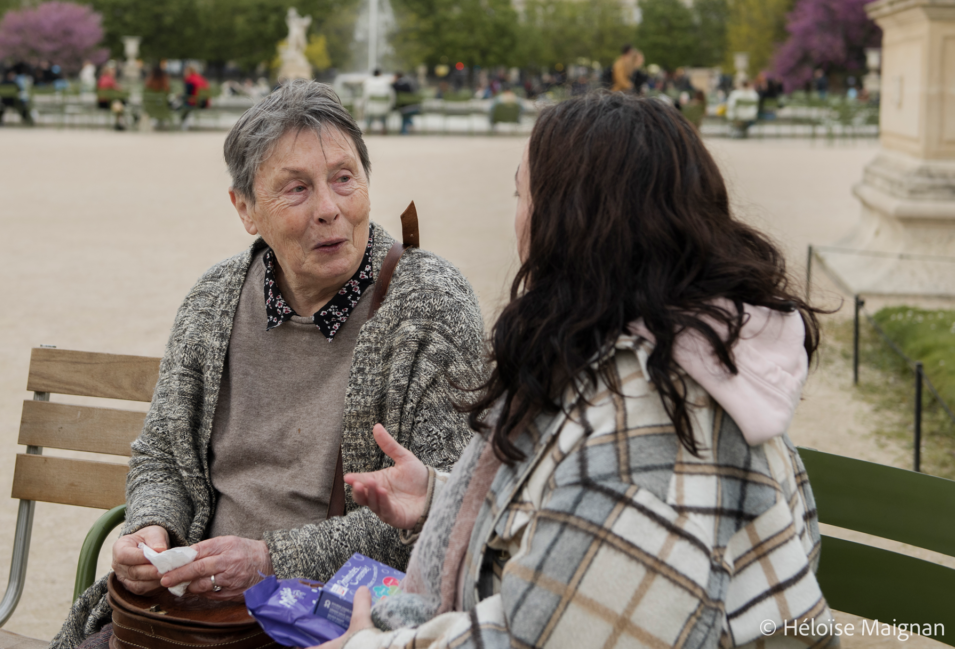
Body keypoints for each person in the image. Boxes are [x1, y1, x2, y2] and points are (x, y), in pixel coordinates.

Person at [331, 92, 835, 649]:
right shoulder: (664, 351)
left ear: (568, 225)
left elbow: (545, 633)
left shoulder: (650, 439)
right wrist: (445, 497)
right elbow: (585, 531)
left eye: (522, 193)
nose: (517, 215)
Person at [49, 79, 484, 649]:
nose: (330, 209)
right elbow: (162, 456)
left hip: (335, 621)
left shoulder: (429, 304)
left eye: (344, 179)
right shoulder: (214, 299)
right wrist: (151, 527)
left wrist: (270, 560)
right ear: (246, 209)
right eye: (296, 189)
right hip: (191, 613)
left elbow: (441, 513)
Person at [363, 69, 394, 135]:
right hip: (384, 108)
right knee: (383, 113)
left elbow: (365, 96)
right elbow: (391, 95)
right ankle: (384, 128)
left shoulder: (368, 81)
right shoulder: (385, 81)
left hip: (371, 108)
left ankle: (368, 127)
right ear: (380, 74)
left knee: (368, 113)